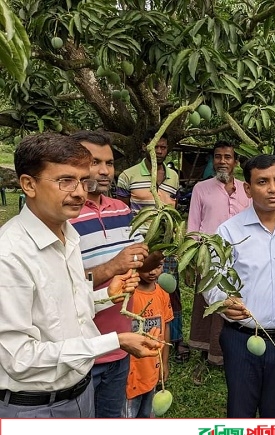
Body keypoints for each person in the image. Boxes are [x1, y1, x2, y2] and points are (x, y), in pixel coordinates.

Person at [0, 132, 160, 418]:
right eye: (65, 181)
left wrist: (104, 296)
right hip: (35, 408)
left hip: (78, 393)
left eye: (82, 181)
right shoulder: (9, 255)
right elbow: (19, 358)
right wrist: (115, 341)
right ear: (28, 184)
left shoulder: (67, 234)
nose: (79, 192)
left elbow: (61, 307)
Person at [204, 154, 275, 418]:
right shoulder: (228, 232)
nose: (273, 188)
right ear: (248, 188)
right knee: (240, 412)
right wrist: (223, 303)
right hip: (242, 340)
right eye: (263, 182)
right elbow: (212, 280)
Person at [69, 130, 154, 418]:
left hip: (121, 343)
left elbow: (136, 264)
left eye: (110, 163)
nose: (105, 171)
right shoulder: (64, 215)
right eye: (94, 162)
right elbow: (59, 285)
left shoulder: (122, 210)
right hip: (82, 351)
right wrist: (111, 268)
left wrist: (155, 255)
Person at [116, 128, 187, 362]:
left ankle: (173, 339)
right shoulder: (128, 175)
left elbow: (174, 209)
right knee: (137, 290)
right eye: (155, 146)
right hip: (139, 244)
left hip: (166, 245)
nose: (159, 151)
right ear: (145, 147)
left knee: (169, 291)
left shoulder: (173, 176)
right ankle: (136, 334)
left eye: (163, 147)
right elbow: (122, 213)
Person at [187, 141, 251, 373]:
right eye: (218, 157)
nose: (222, 161)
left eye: (227, 156)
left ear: (235, 161)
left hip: (240, 257)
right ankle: (209, 352)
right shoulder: (201, 188)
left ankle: (232, 350)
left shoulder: (247, 189)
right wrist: (193, 257)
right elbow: (193, 225)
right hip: (209, 256)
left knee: (235, 301)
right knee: (209, 303)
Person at [123, 260, 173, 418]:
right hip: (130, 374)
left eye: (158, 267)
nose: (153, 272)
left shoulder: (163, 293)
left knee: (147, 415)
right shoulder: (128, 294)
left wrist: (164, 363)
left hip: (152, 368)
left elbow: (166, 326)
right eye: (147, 268)